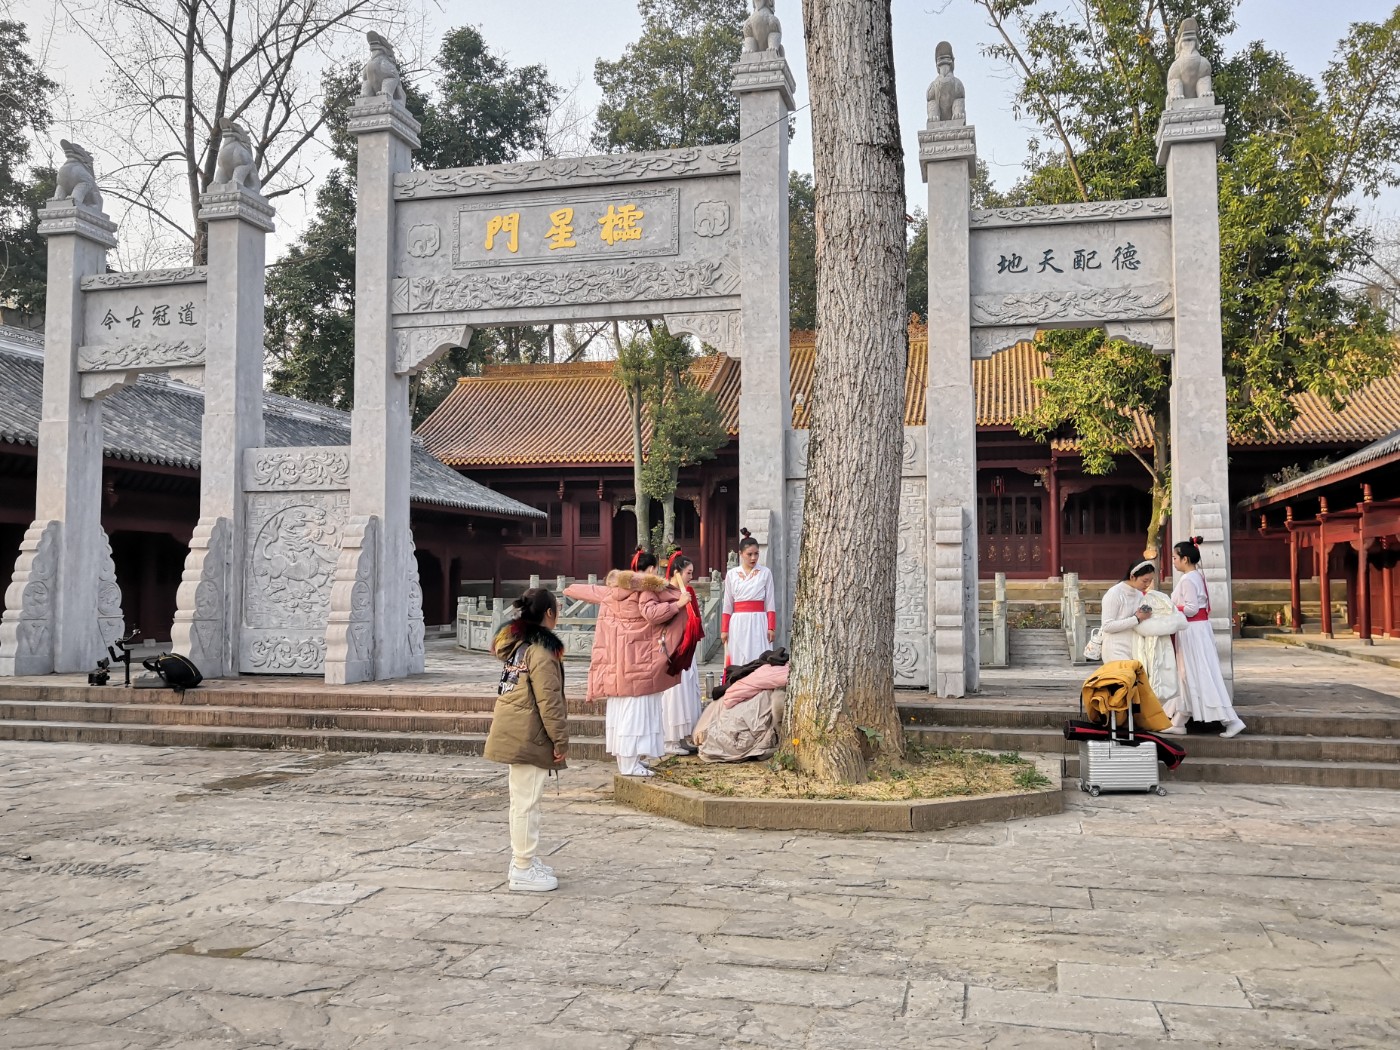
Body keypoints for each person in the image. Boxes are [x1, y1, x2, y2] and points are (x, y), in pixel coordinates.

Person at [564, 547, 687, 776]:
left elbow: (594, 591)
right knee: (637, 715)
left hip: (619, 663)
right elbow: (652, 614)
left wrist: (570, 588)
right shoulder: (647, 589)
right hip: (641, 662)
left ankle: (629, 761)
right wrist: (678, 604)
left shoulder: (616, 589)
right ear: (652, 570)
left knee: (623, 715)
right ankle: (631, 765)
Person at [484, 587, 568, 893]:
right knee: (526, 804)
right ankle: (522, 866)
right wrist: (560, 740)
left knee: (521, 800)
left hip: (516, 728)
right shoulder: (542, 650)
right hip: (528, 734)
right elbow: (550, 701)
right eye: (558, 609)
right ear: (549, 613)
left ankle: (522, 860)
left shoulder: (519, 644)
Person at [1169, 537, 1247, 738]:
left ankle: (1231, 720)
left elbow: (1192, 609)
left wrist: (1169, 608)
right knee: (1188, 674)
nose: (1173, 561)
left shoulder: (1188, 580)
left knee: (1199, 674)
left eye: (1175, 557)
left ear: (1185, 559)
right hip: (1196, 630)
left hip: (1192, 631)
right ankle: (1180, 720)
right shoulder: (1196, 576)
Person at [660, 551, 704, 755]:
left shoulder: (689, 592)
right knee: (673, 693)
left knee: (688, 690)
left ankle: (683, 735)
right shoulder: (664, 592)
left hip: (687, 646)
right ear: (677, 573)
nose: (691, 577)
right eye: (688, 573)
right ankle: (669, 739)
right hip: (672, 647)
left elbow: (696, 619)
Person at [722, 529, 776, 670]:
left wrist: (771, 627)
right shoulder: (732, 574)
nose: (753, 558)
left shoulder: (765, 573)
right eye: (749, 554)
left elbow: (770, 602)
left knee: (759, 657)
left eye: (756, 554)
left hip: (759, 621)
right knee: (739, 658)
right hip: (738, 622)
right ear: (740, 554)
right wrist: (724, 629)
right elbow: (727, 604)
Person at [1100, 561, 1158, 665]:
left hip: (1134, 647)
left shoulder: (1139, 594)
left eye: (1150, 581)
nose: (1147, 584)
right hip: (1115, 648)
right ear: (1132, 577)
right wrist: (1136, 619)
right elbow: (1107, 626)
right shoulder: (1114, 594)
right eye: (1145, 581)